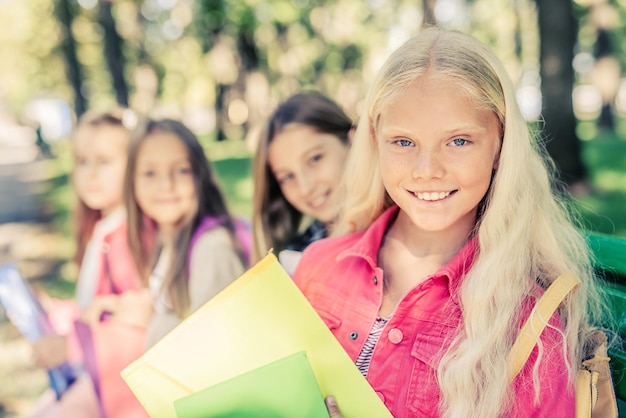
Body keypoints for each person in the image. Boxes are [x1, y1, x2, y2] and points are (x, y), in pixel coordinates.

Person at [294, 28, 604, 418]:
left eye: (458, 141)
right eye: (403, 142)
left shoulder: (528, 322)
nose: (427, 171)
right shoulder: (318, 267)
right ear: (375, 141)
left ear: (500, 145)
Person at [29, 108, 147, 418]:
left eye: (105, 161)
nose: (90, 173)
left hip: (121, 390)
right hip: (98, 375)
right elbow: (97, 310)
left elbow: (135, 325)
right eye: (82, 161)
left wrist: (71, 346)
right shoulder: (104, 230)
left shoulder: (130, 240)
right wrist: (60, 313)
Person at [124, 118, 249, 348]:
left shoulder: (212, 249)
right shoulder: (164, 240)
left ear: (199, 176)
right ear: (132, 180)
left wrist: (151, 322)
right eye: (150, 173)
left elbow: (213, 352)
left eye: (181, 170)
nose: (166, 185)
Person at [251, 92, 352, 272]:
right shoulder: (295, 262)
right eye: (287, 177)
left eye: (314, 159)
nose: (305, 188)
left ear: (352, 141)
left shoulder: (406, 232)